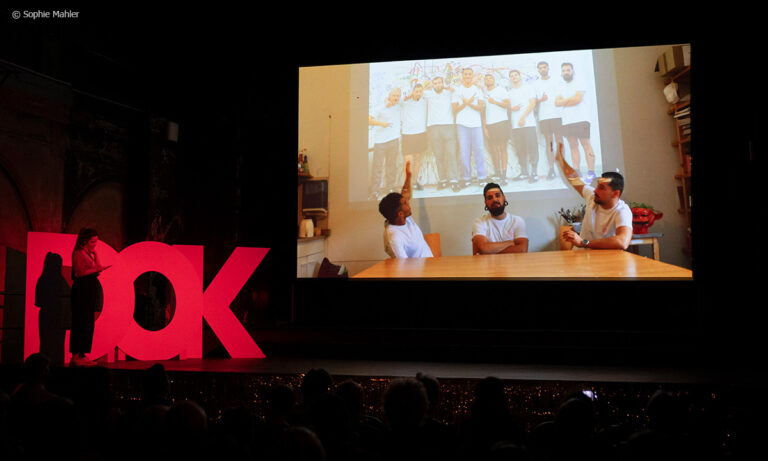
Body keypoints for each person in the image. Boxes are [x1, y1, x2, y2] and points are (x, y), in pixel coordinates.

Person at [555, 143, 633, 250]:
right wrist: (561, 160)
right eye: (597, 186)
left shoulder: (622, 211)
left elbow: (622, 242)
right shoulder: (593, 196)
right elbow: (574, 178)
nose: (595, 190)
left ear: (615, 193)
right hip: (581, 257)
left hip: (605, 260)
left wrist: (583, 242)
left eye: (602, 188)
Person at [379, 161, 433, 258]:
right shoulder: (395, 238)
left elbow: (405, 193)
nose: (408, 202)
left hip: (431, 266)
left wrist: (408, 176)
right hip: (420, 273)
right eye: (405, 203)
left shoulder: (404, 219)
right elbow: (404, 267)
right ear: (400, 214)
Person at [556, 62, 597, 184]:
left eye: (568, 70)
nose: (566, 72)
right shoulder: (560, 86)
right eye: (563, 70)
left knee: (586, 144)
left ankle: (591, 172)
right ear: (561, 72)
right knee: (573, 145)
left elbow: (578, 99)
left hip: (581, 119)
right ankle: (577, 171)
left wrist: (565, 101)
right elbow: (557, 102)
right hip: (567, 120)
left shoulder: (580, 82)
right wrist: (570, 100)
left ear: (573, 71)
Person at [70, 228, 104, 367]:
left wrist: (95, 254)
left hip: (88, 291)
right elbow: (79, 272)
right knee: (80, 322)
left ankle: (83, 354)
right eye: (92, 241)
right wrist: (96, 268)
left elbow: (98, 268)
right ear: (85, 241)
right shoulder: (79, 253)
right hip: (81, 291)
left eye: (96, 241)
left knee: (88, 323)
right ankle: (76, 355)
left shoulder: (88, 253)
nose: (95, 244)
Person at [423, 76, 461, 192]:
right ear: (432, 84)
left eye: (439, 83)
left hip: (448, 126)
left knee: (451, 154)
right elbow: (416, 92)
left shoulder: (449, 93)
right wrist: (428, 86)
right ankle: (443, 180)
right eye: (435, 83)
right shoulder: (427, 94)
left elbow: (458, 90)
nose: (437, 85)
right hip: (433, 127)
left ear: (442, 83)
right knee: (439, 155)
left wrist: (447, 86)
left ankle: (454, 180)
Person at [453, 67, 487, 187]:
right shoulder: (457, 91)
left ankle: (482, 177)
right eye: (465, 75)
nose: (467, 76)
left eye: (469, 74)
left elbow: (481, 108)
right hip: (462, 125)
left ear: (473, 76)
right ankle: (466, 177)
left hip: (476, 124)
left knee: (479, 150)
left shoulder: (477, 90)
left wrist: (469, 103)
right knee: (464, 152)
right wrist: (466, 102)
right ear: (462, 77)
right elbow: (455, 109)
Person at [472, 183, 528, 254]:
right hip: (488, 265)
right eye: (489, 198)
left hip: (513, 264)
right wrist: (509, 243)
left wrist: (491, 251)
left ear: (504, 198)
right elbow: (483, 248)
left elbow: (522, 250)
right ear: (485, 203)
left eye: (497, 195)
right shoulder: (480, 222)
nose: (494, 199)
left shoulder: (517, 221)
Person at [369, 87, 403, 199]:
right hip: (380, 142)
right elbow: (369, 120)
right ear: (389, 95)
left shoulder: (399, 106)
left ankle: (391, 188)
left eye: (398, 96)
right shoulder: (380, 107)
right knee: (378, 167)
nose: (396, 98)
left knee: (391, 166)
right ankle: (375, 190)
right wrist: (381, 124)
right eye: (394, 95)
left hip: (394, 140)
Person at [508, 69, 539, 183]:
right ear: (510, 79)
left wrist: (523, 118)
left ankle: (534, 173)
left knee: (532, 148)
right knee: (520, 150)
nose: (514, 77)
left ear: (519, 76)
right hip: (515, 126)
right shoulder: (509, 92)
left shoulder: (528, 88)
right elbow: (508, 108)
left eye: (515, 75)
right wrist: (512, 109)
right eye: (511, 76)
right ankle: (524, 173)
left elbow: (532, 103)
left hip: (528, 124)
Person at [534, 61, 563, 180]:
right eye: (540, 68)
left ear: (548, 68)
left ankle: (562, 168)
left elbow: (562, 96)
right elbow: (533, 101)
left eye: (544, 67)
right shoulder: (535, 84)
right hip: (544, 117)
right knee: (549, 143)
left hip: (557, 115)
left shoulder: (556, 80)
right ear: (538, 70)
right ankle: (551, 169)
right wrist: (540, 100)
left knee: (559, 142)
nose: (542, 69)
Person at [482, 74, 511, 185]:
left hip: (501, 122)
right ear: (484, 81)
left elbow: (508, 105)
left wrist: (495, 102)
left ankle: (504, 175)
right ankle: (498, 173)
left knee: (503, 149)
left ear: (494, 80)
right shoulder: (484, 94)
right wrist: (485, 127)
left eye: (490, 78)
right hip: (490, 125)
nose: (488, 80)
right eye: (486, 78)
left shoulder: (501, 90)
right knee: (494, 150)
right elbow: (484, 112)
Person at [401, 83, 429, 190]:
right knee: (408, 160)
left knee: (418, 158)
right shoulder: (405, 101)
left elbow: (429, 88)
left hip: (420, 133)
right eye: (416, 91)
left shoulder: (424, 101)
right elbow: (393, 99)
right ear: (412, 92)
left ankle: (414, 181)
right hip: (407, 134)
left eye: (420, 91)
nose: (418, 93)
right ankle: (407, 183)